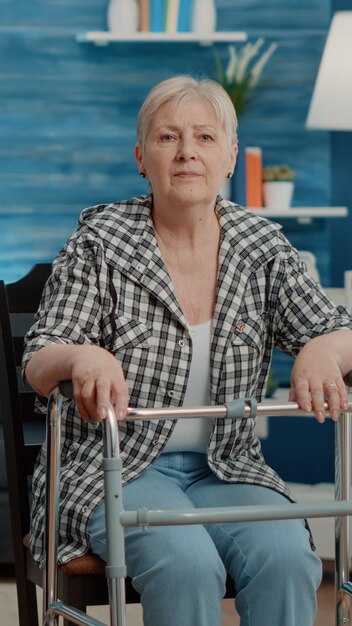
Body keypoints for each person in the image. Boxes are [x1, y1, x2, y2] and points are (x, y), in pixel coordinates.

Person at [23, 75, 352, 626]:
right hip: (115, 469)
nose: (186, 153)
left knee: (289, 557)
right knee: (186, 563)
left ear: (229, 156)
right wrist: (83, 357)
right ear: (141, 157)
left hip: (229, 468)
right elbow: (40, 358)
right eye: (167, 137)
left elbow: (341, 330)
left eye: (203, 137)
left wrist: (325, 348)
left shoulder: (261, 245)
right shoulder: (101, 241)